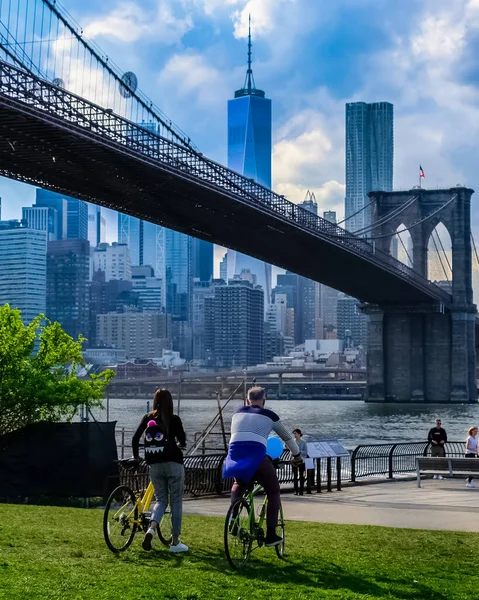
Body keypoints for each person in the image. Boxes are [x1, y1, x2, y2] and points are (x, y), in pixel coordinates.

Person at [223, 386, 302, 547]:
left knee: (239, 484)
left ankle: (233, 519)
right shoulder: (269, 415)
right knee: (273, 491)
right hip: (257, 456)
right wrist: (297, 455)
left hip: (235, 456)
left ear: (247, 401)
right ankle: (271, 534)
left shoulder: (237, 413)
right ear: (263, 401)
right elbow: (287, 437)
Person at [132, 389, 188, 553]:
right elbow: (182, 441)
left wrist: (137, 457)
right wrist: (178, 445)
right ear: (170, 402)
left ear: (155, 400)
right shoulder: (174, 419)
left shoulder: (148, 418)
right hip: (173, 464)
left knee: (161, 500)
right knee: (176, 501)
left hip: (154, 465)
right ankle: (175, 542)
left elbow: (135, 439)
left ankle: (151, 530)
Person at [292, 429, 308, 496]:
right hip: (294, 460)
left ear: (299, 434)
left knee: (302, 475)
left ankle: (301, 491)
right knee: (294, 476)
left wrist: (299, 451)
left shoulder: (303, 442)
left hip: (302, 460)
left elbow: (306, 452)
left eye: (295, 433)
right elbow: (291, 450)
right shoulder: (293, 442)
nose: (294, 435)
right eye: (294, 434)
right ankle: (296, 490)